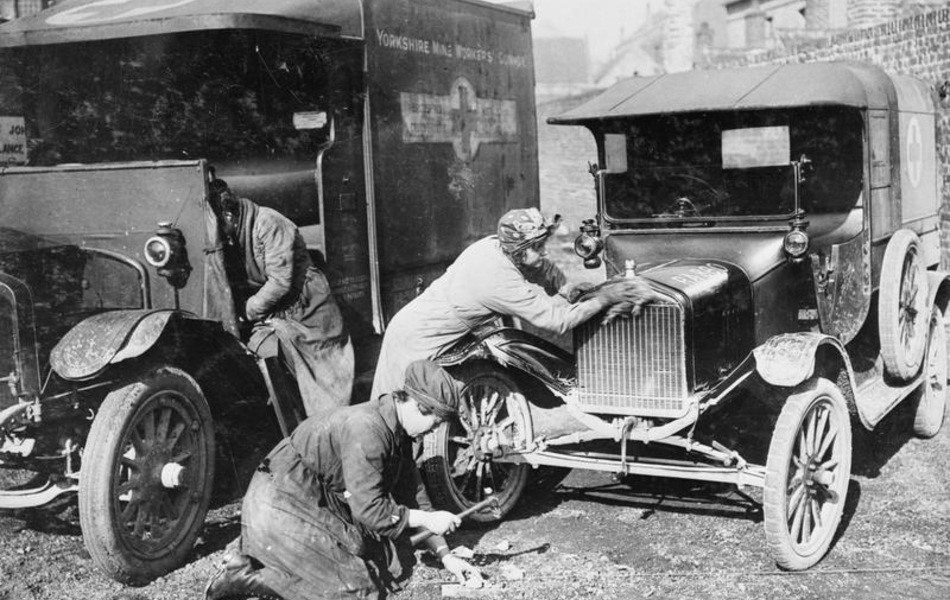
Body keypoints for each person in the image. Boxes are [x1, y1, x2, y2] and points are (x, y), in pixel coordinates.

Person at [203, 359, 484, 600]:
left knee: (378, 560)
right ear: (418, 406)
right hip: (281, 496)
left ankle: (262, 557)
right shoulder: (369, 429)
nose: (433, 431)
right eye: (435, 423)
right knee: (354, 591)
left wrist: (445, 555)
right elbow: (371, 511)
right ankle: (242, 575)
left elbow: (413, 495)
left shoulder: (399, 430)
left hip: (314, 494)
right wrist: (425, 520)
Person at [370, 207, 653, 399]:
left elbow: (538, 267)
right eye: (537, 247)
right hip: (415, 337)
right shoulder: (498, 280)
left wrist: (565, 287)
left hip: (425, 321)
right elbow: (558, 321)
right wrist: (606, 297)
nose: (543, 253)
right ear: (517, 251)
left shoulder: (496, 245)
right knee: (397, 408)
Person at [209, 178, 353, 416]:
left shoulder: (269, 223)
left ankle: (309, 422)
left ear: (228, 216)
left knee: (308, 365)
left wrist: (247, 310)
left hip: (307, 307)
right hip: (278, 308)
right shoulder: (239, 230)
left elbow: (280, 282)